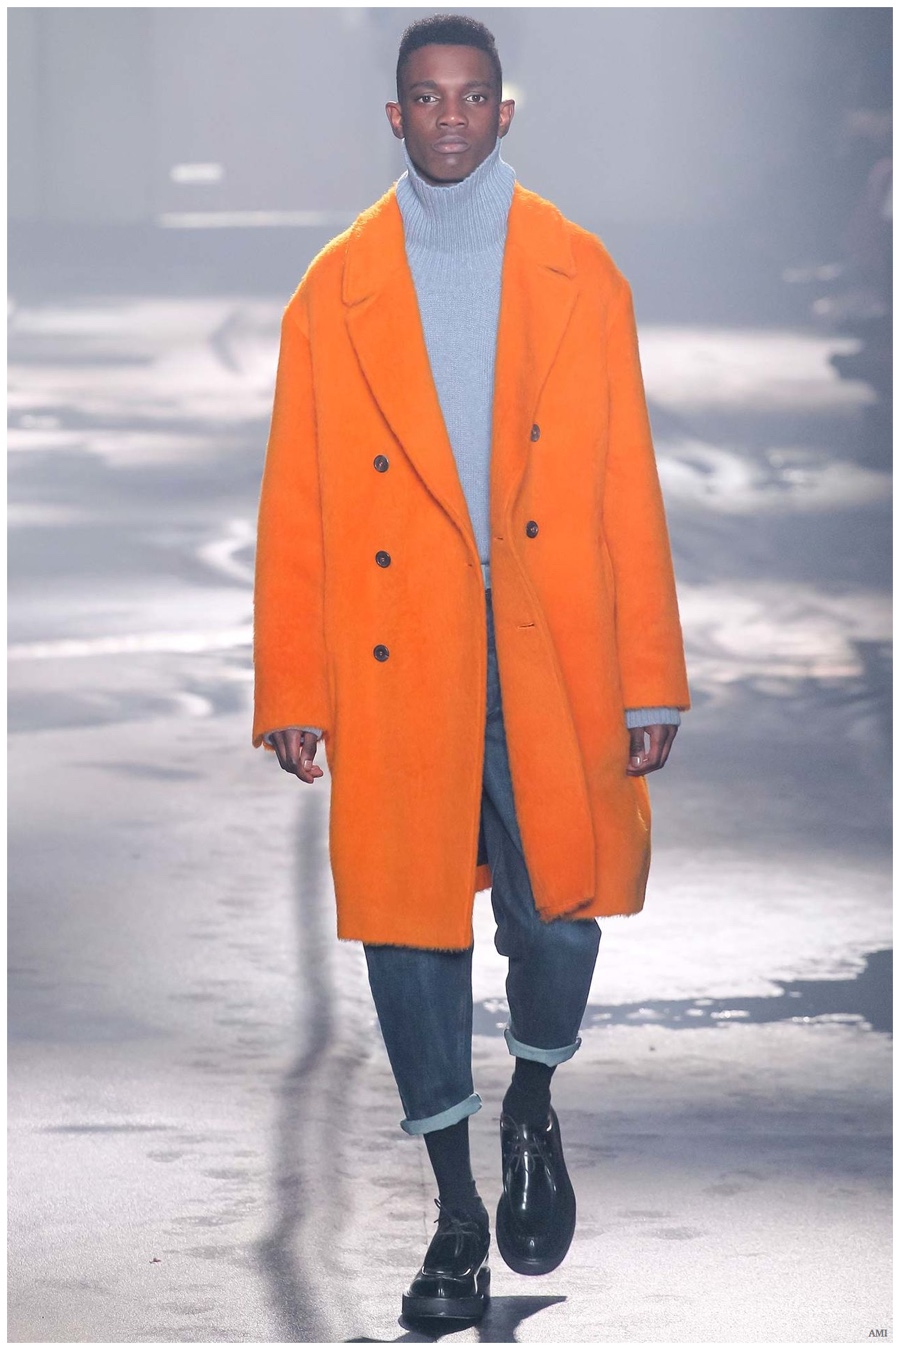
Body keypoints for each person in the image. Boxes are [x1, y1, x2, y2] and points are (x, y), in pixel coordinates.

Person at [253, 14, 689, 1325]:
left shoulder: (579, 271)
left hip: (552, 646)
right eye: (427, 97)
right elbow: (297, 502)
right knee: (409, 934)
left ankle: (533, 1098)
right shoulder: (335, 289)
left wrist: (650, 673)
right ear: (396, 117)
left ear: (508, 110)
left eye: (472, 95)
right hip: (403, 656)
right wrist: (293, 684)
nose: (450, 116)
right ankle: (453, 1214)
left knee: (560, 913)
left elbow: (625, 483)